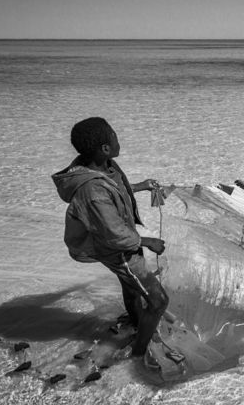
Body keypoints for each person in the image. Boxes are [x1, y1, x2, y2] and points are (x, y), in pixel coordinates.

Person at [52, 117, 169, 357]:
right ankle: (138, 352)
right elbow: (113, 234)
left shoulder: (105, 166)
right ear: (105, 147)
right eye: (115, 136)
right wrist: (148, 242)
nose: (118, 140)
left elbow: (115, 189)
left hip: (122, 240)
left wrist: (139, 186)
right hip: (119, 249)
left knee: (131, 286)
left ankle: (138, 324)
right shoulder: (92, 190)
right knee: (158, 301)